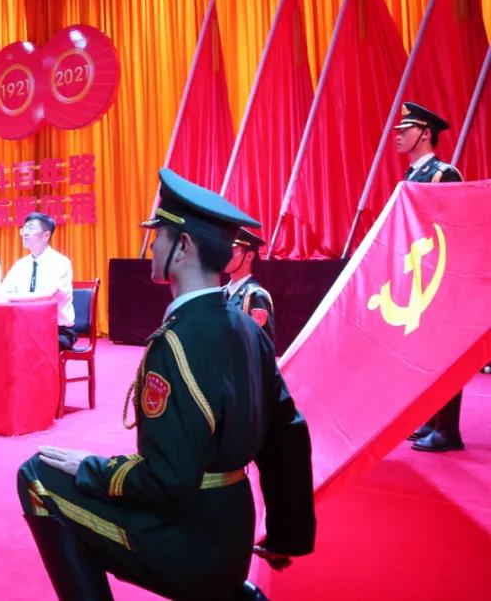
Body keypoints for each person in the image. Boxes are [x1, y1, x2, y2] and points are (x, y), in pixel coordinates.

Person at [16, 168, 316, 601]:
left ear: (184, 246)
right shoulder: (248, 329)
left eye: (159, 235)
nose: (152, 245)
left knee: (36, 476)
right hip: (233, 532)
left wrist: (92, 467)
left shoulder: (176, 340)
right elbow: (287, 433)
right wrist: (288, 533)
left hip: (190, 538)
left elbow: (167, 481)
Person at [394, 103, 465, 453]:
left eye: (405, 130)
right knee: (423, 352)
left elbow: (455, 229)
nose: (398, 136)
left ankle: (449, 430)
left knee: (443, 354)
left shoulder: (443, 174)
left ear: (425, 133)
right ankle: (432, 418)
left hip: (441, 277)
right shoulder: (412, 177)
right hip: (419, 277)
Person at [2, 212, 76, 350]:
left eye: (30, 228)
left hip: (56, 329)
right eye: (24, 229)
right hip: (25, 326)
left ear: (46, 235)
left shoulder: (60, 262)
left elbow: (46, 295)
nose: (24, 233)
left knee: (28, 346)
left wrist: (9, 297)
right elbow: (3, 291)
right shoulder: (20, 264)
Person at [223, 228, 274, 343]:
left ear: (249, 256)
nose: (225, 255)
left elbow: (261, 344)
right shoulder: (221, 293)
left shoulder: (255, 296)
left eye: (232, 250)